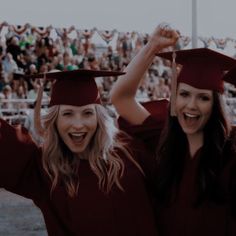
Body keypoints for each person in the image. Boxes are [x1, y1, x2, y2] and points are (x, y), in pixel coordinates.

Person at [110, 24, 236, 236]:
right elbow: (120, 97)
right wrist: (152, 47)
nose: (192, 105)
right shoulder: (162, 134)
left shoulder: (230, 149)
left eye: (203, 98)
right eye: (184, 94)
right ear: (174, 97)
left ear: (215, 105)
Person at [0, 69, 159, 236]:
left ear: (98, 118)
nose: (78, 124)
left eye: (87, 113)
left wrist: (152, 46)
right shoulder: (45, 169)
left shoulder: (130, 152)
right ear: (55, 120)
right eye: (67, 114)